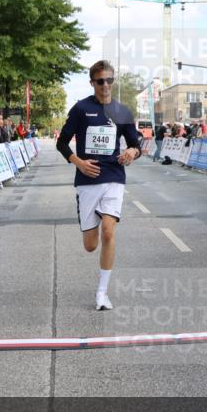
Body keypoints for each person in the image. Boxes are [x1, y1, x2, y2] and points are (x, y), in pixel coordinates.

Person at [56, 60, 142, 311]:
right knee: (90, 245)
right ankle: (89, 213)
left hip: (114, 176)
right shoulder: (81, 109)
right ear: (92, 82)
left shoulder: (123, 112)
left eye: (109, 80)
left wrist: (132, 152)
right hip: (87, 179)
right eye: (100, 81)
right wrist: (78, 162)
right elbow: (62, 143)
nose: (105, 85)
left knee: (108, 231)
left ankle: (102, 293)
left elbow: (136, 145)